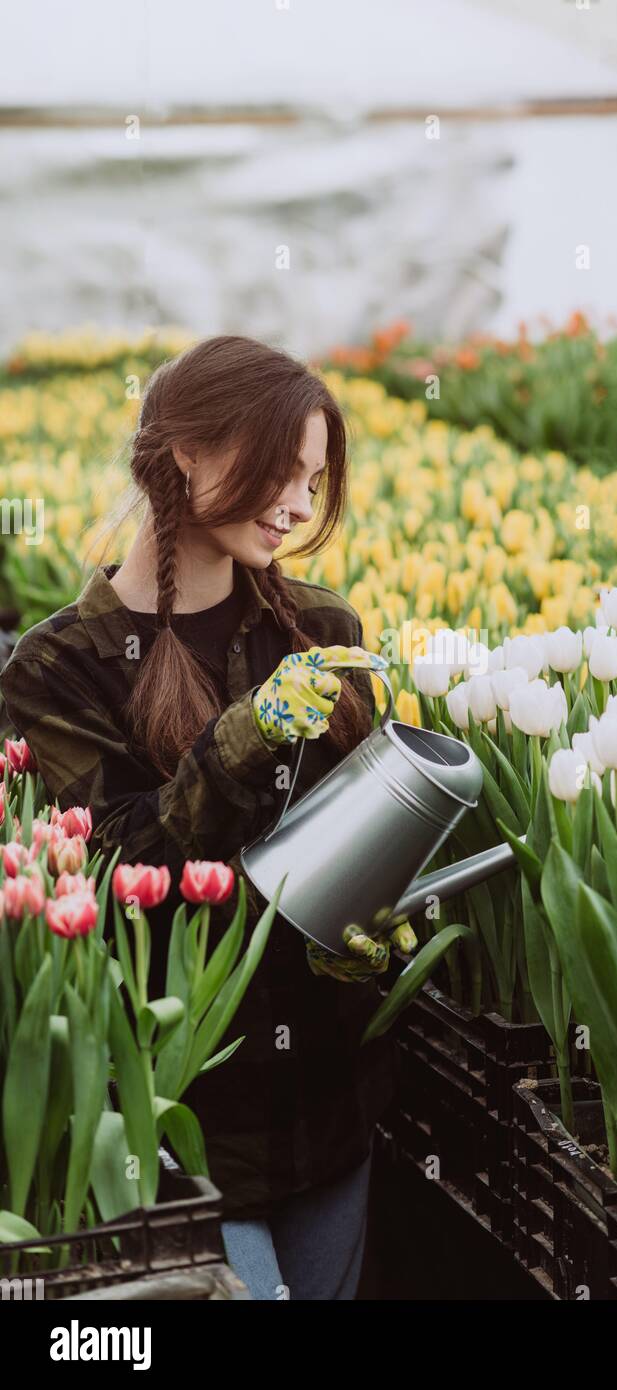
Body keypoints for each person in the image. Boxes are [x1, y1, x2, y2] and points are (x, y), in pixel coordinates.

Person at [0, 334, 416, 1300]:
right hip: (174, 1114)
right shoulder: (61, 668)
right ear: (185, 453)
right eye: (282, 470)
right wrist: (240, 741)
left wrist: (378, 930)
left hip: (324, 1096)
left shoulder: (322, 632)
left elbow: (366, 825)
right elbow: (114, 870)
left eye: (315, 480)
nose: (301, 504)